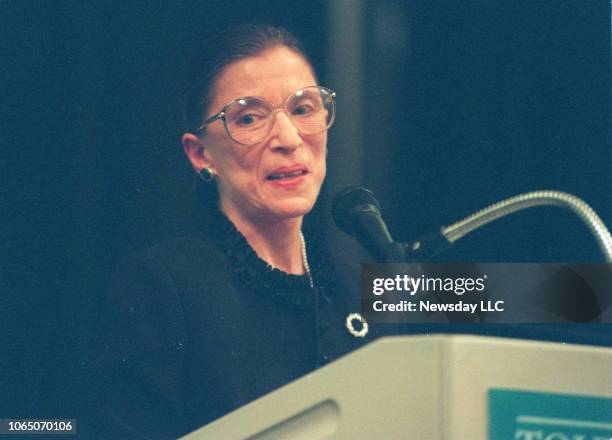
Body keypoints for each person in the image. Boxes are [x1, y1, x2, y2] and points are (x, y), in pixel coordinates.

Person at [89, 24, 392, 439]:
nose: (288, 138)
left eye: (303, 109)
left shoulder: (366, 277)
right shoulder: (164, 284)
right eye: (249, 117)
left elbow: (506, 301)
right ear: (200, 154)